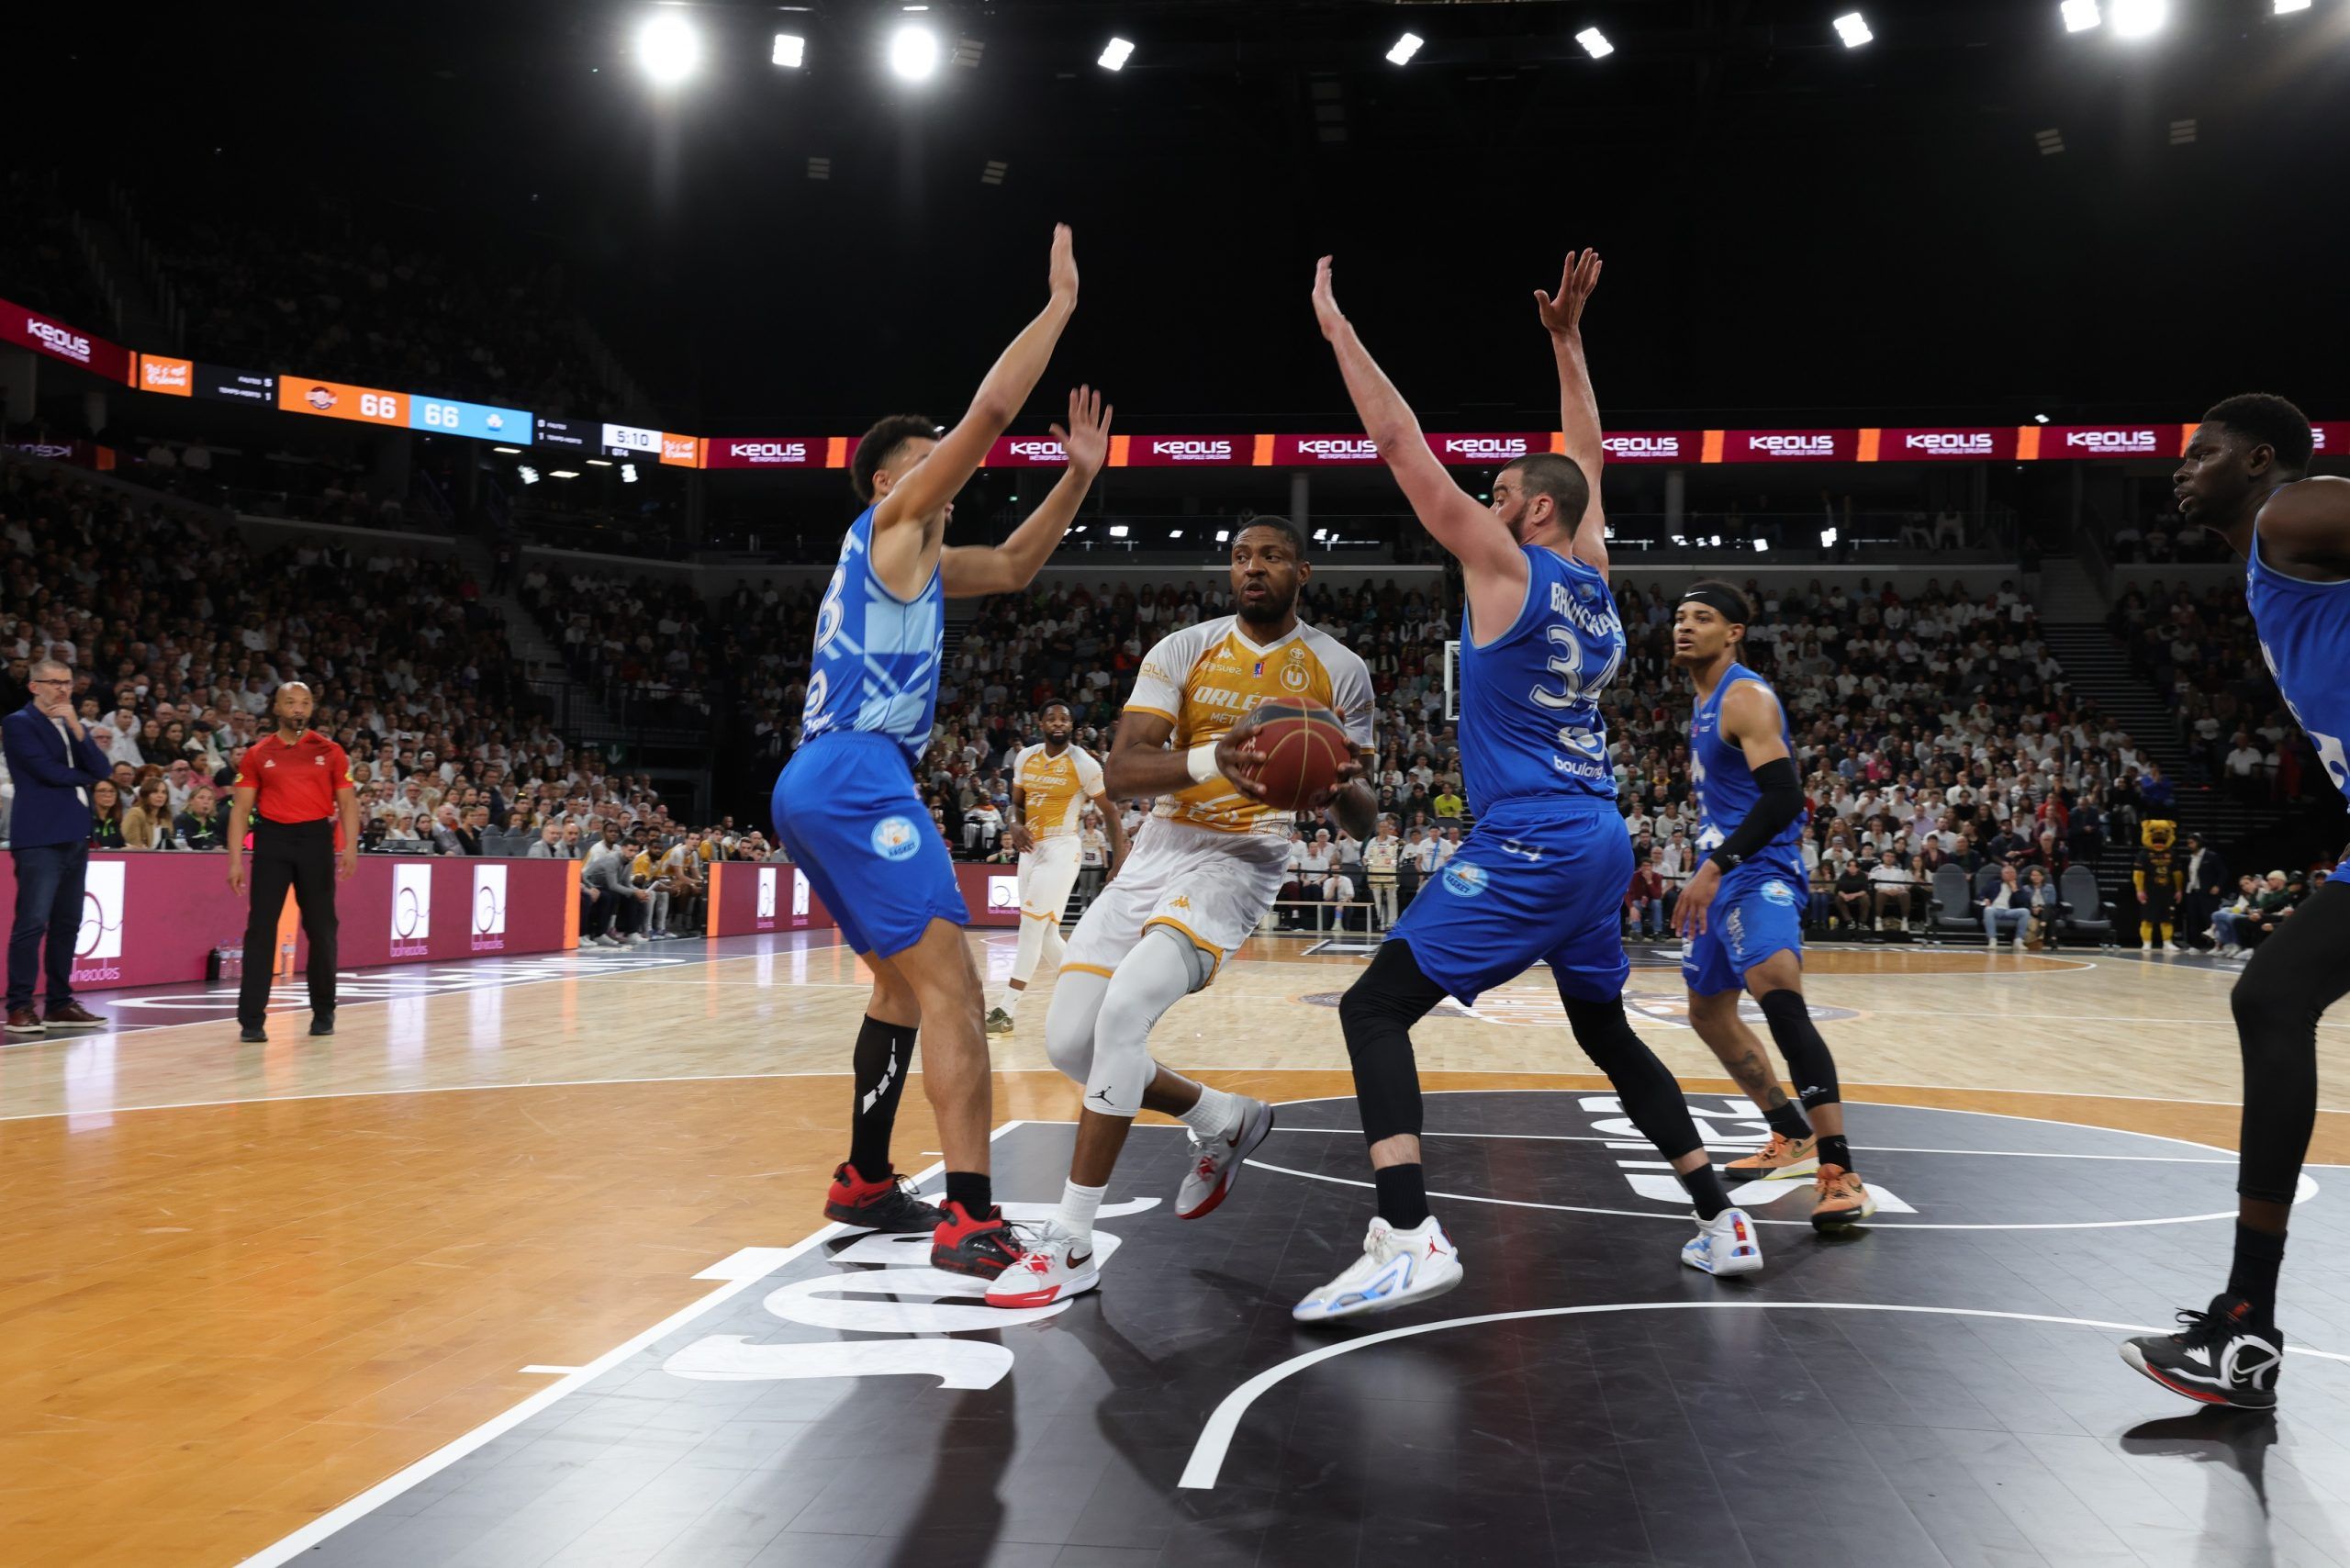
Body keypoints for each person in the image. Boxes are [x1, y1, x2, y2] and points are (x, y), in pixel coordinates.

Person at [1290, 248, 1756, 1324]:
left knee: (1373, 1007)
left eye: (1497, 493)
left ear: (1531, 515)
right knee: (1604, 1030)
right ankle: (1717, 1213)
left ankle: (1406, 1235)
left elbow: (1398, 444)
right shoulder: (1593, 580)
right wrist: (1566, 343)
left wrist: (1338, 335)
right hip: (1598, 835)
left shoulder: (1505, 569)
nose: (1482, 502)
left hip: (1536, 834)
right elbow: (1582, 459)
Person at [770, 225, 1103, 1281]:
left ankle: (865, 1178)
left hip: (822, 775)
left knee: (903, 987)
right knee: (958, 983)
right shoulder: (890, 525)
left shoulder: (916, 560)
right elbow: (995, 413)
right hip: (858, 770)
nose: (944, 470)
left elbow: (1009, 566)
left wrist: (1079, 477)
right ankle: (968, 1216)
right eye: (925, 462)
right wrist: (1056, 309)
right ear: (885, 484)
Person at [995, 519, 1375, 1309]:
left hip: (1244, 857)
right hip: (1162, 845)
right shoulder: (1183, 649)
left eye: (1270, 556)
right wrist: (1216, 757)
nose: (1253, 568)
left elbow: (1365, 819)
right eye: (1240, 557)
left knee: (1124, 1013)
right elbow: (1127, 771)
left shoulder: (1341, 670)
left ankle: (1071, 1241)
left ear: (1303, 570)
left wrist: (1336, 785)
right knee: (1071, 1043)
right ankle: (1223, 1117)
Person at [2118, 394, 2345, 1406]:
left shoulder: (2297, 512)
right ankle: (2244, 1329)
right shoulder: (2269, 553)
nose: (2180, 468)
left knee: (2270, 999)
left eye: (2199, 453)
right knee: (2269, 998)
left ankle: (2247, 1321)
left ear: (2259, 460)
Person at [1670, 584, 1874, 1228]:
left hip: (1755, 871)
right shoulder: (1701, 699)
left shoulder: (1743, 695)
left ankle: (1840, 1169)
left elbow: (1785, 797)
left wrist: (1715, 865)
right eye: (1679, 617)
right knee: (1707, 1012)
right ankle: (1789, 1131)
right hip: (1717, 870)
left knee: (1778, 993)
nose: (1684, 627)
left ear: (1734, 632)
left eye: (1702, 618)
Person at [225, 682, 359, 1043]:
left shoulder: (330, 751)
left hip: (316, 840)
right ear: (277, 708)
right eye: (290, 702)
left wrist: (349, 847)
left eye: (305, 702)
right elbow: (240, 810)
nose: (298, 708)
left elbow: (347, 804)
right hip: (271, 840)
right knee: (261, 930)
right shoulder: (258, 753)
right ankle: (252, 1021)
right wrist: (235, 859)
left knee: (321, 928)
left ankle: (324, 1012)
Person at [986, 701, 1126, 1036]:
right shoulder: (1025, 757)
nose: (1058, 722)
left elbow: (1110, 812)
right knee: (1047, 934)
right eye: (1052, 717)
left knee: (1031, 928)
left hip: (1062, 849)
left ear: (1072, 725)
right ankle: (1094, 999)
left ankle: (1007, 1008)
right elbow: (1016, 805)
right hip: (1029, 849)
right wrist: (1014, 826)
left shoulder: (1083, 763)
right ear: (1041, 723)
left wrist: (1119, 858)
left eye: (1064, 718)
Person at [2, 657, 111, 1036]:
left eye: (68, 683)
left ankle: (60, 1003)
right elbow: (47, 772)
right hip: (38, 836)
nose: (64, 689)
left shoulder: (72, 724)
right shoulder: (17, 723)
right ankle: (19, 1006)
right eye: (54, 682)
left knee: (68, 923)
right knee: (32, 922)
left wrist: (77, 729)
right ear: (34, 686)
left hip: (75, 834)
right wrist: (83, 778)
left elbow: (104, 770)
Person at [1978, 862, 2031, 949]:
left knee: (2025, 911)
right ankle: (1992, 940)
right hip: (1995, 909)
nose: (2010, 875)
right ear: (2002, 875)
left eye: (2012, 873)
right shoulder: (1994, 884)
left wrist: (2015, 891)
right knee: (1988, 910)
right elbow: (1980, 895)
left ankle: (2018, 941)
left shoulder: (2019, 887)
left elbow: (2023, 903)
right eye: (2007, 873)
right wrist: (1985, 899)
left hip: (2009, 911)